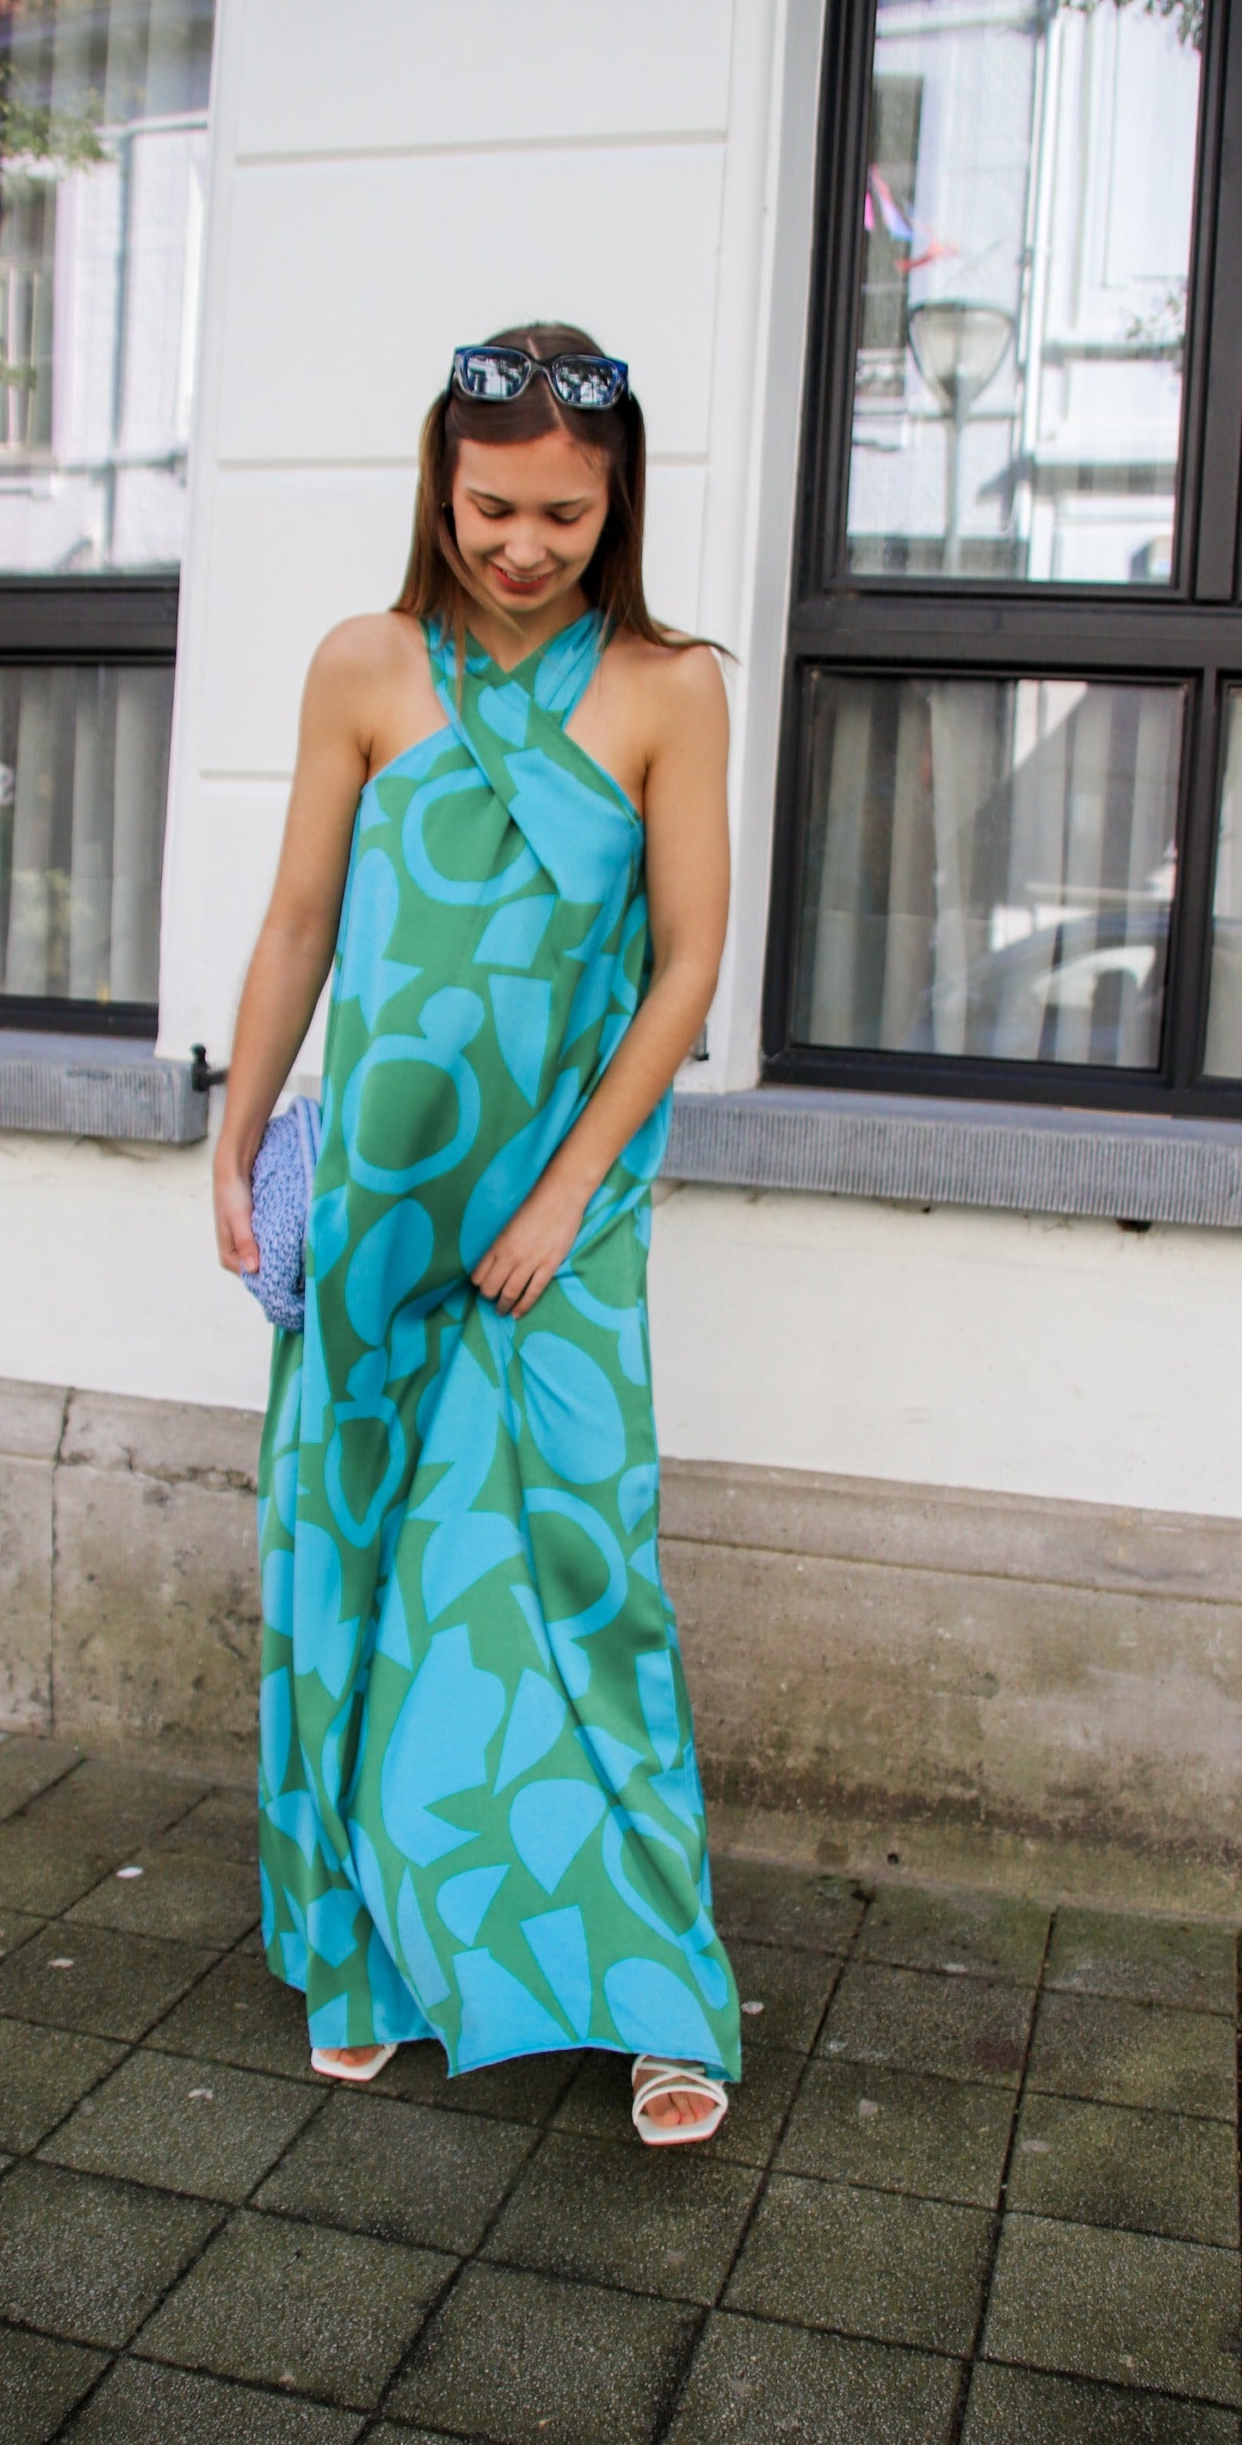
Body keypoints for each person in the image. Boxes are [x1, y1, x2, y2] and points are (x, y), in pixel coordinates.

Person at [213, 322, 740, 2144]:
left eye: (564, 518)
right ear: (441, 489)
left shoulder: (671, 686)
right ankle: (362, 1954)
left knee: (581, 1578)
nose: (523, 546)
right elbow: (299, 924)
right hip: (379, 1202)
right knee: (359, 1568)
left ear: (619, 507)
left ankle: (659, 1994)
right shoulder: (363, 665)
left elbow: (688, 967)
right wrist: (234, 1136)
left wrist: (570, 1189)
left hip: (561, 1217)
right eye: (491, 507)